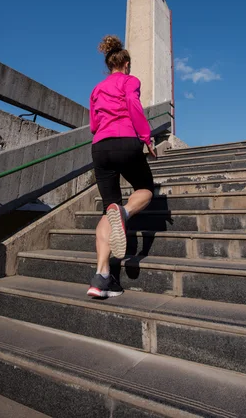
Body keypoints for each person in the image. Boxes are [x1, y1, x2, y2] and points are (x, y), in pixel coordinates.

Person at [87, 35, 157, 298]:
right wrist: (146, 138)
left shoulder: (96, 89)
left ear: (109, 65)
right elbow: (133, 105)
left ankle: (102, 276)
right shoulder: (130, 81)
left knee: (108, 209)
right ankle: (125, 213)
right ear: (126, 63)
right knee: (146, 189)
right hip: (126, 140)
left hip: (100, 146)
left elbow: (93, 124)